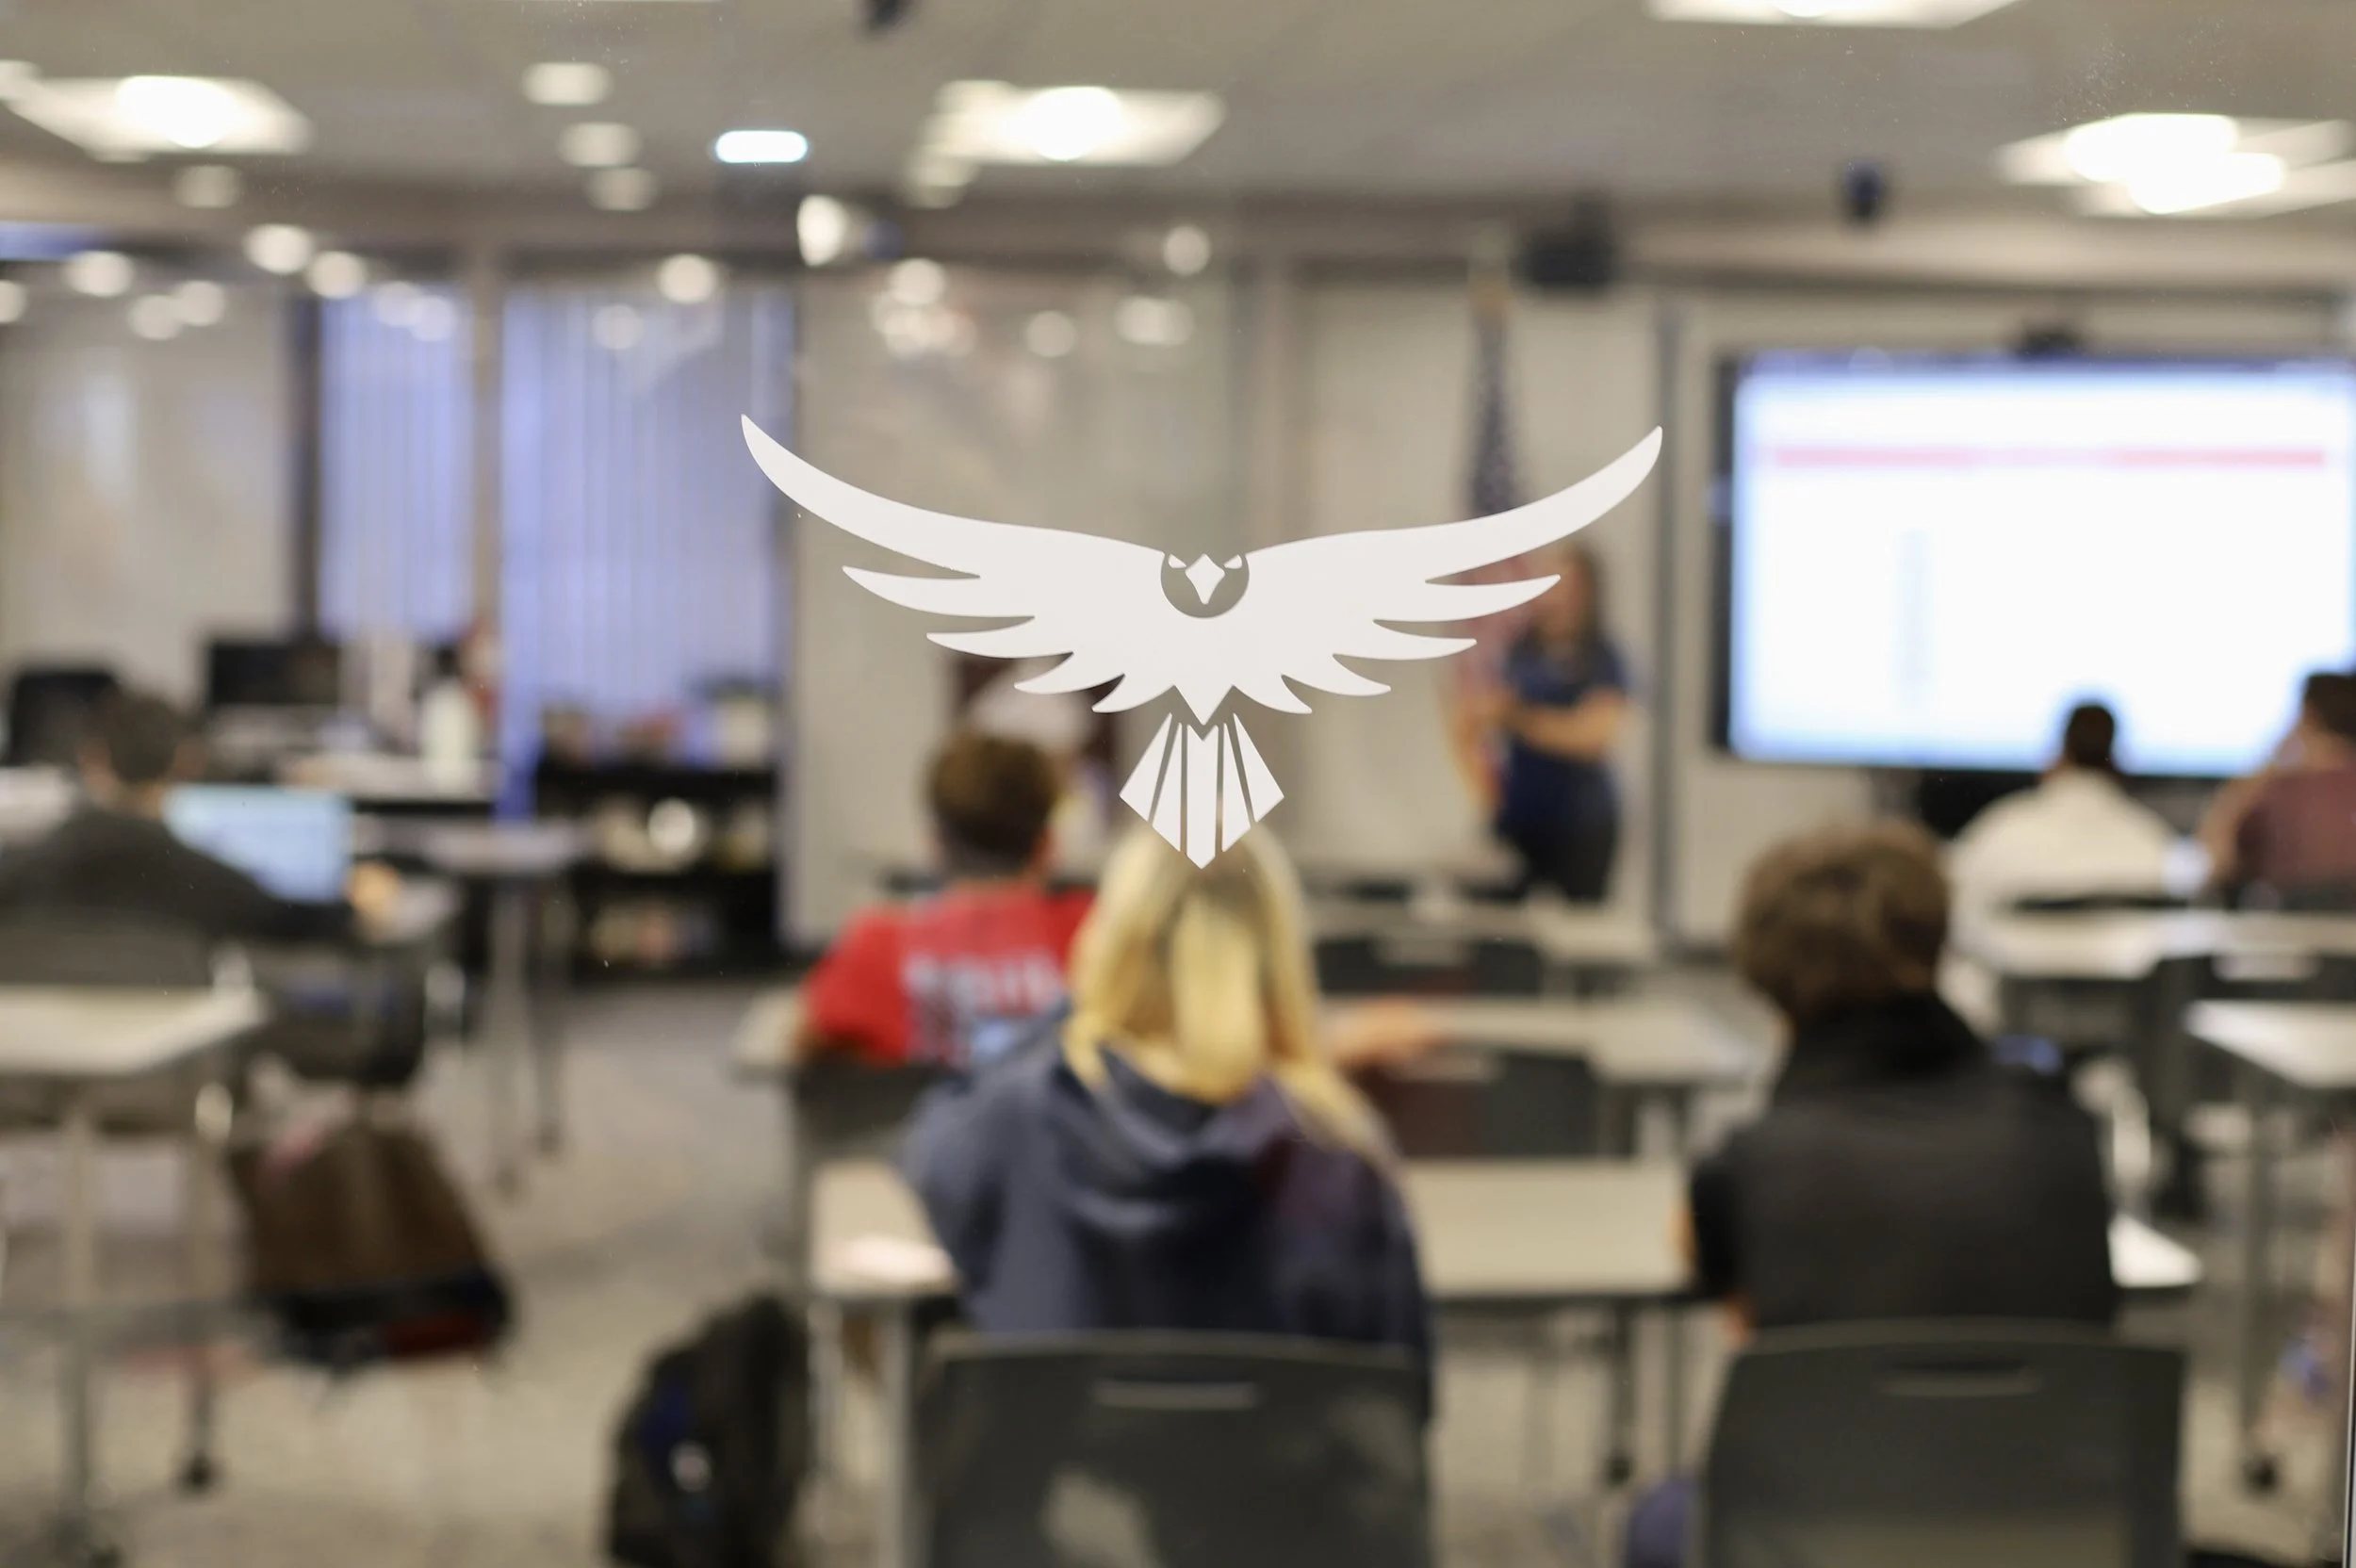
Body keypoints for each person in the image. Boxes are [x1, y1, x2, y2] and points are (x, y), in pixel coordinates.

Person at [1626, 821, 2116, 1568]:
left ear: (1764, 979)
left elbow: (1717, 1282)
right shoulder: (2065, 1128)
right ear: (1935, 943)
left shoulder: (1750, 1166)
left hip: (1825, 1535)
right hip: (2059, 1528)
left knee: (1658, 1519)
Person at [900, 823, 1431, 1362]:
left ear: (1111, 945)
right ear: (1281, 957)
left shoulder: (1011, 1123)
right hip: (1267, 1450)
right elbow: (1397, 1401)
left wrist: (1080, 1008)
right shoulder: (1341, 1160)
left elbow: (931, 1150)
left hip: (1065, 1448)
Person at [795, 730, 1093, 1070]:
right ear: (1047, 847)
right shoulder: (1097, 939)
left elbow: (805, 1045)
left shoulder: (876, 948)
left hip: (913, 1122)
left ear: (935, 844)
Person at [0, 690, 398, 943]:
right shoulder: (208, 880)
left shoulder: (22, 868)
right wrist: (358, 899)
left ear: (91, 760)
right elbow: (296, 924)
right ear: (187, 763)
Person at [1946, 701, 2194, 924]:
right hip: (2122, 974)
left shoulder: (1999, 833)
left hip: (2021, 972)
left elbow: (1953, 908)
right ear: (2119, 764)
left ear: (2059, 756)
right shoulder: (2154, 842)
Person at [1479, 544, 1629, 903]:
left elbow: (1593, 738)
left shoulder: (1604, 657)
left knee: (1582, 931)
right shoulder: (1520, 651)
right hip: (1522, 817)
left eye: (1567, 584)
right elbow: (1478, 716)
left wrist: (1521, 719)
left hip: (1583, 822)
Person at [2201, 670, 2356, 905]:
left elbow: (2218, 860)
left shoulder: (2277, 791)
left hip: (2288, 931)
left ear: (2307, 716)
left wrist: (2270, 760)